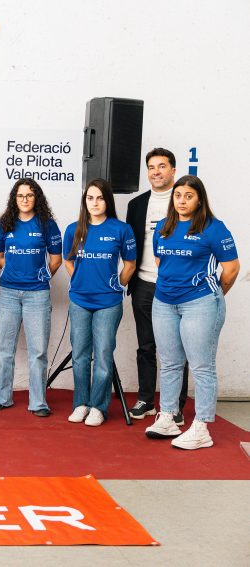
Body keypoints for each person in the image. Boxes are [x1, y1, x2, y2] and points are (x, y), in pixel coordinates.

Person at [145, 176, 239, 449]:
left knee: (201, 366)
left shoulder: (214, 228)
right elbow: (161, 261)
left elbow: (231, 269)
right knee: (170, 363)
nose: (182, 201)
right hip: (164, 302)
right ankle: (168, 417)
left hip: (200, 303)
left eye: (188, 196)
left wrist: (211, 296)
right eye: (178, 196)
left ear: (199, 200)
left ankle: (201, 428)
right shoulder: (163, 226)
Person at [63, 179, 136, 426]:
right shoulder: (73, 229)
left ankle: (98, 407)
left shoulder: (121, 229)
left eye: (100, 198)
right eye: (90, 198)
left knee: (103, 355)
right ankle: (81, 404)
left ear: (108, 201)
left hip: (108, 302)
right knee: (80, 355)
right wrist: (80, 280)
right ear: (84, 201)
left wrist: (117, 284)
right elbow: (68, 260)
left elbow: (130, 264)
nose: (95, 203)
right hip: (80, 301)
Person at [126, 148, 189, 424]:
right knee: (146, 346)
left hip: (177, 287)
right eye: (151, 167)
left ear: (173, 170)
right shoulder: (137, 205)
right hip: (144, 284)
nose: (156, 172)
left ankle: (175, 407)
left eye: (162, 166)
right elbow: (130, 246)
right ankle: (146, 400)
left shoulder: (185, 201)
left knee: (176, 350)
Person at [0, 178, 61, 417]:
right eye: (20, 195)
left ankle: (38, 402)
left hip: (37, 295)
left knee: (38, 351)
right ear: (14, 198)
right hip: (8, 293)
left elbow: (56, 259)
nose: (25, 199)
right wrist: (13, 272)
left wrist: (41, 276)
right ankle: (1, 397)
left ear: (36, 197)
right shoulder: (4, 224)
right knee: (4, 348)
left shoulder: (47, 224)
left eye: (29, 195)